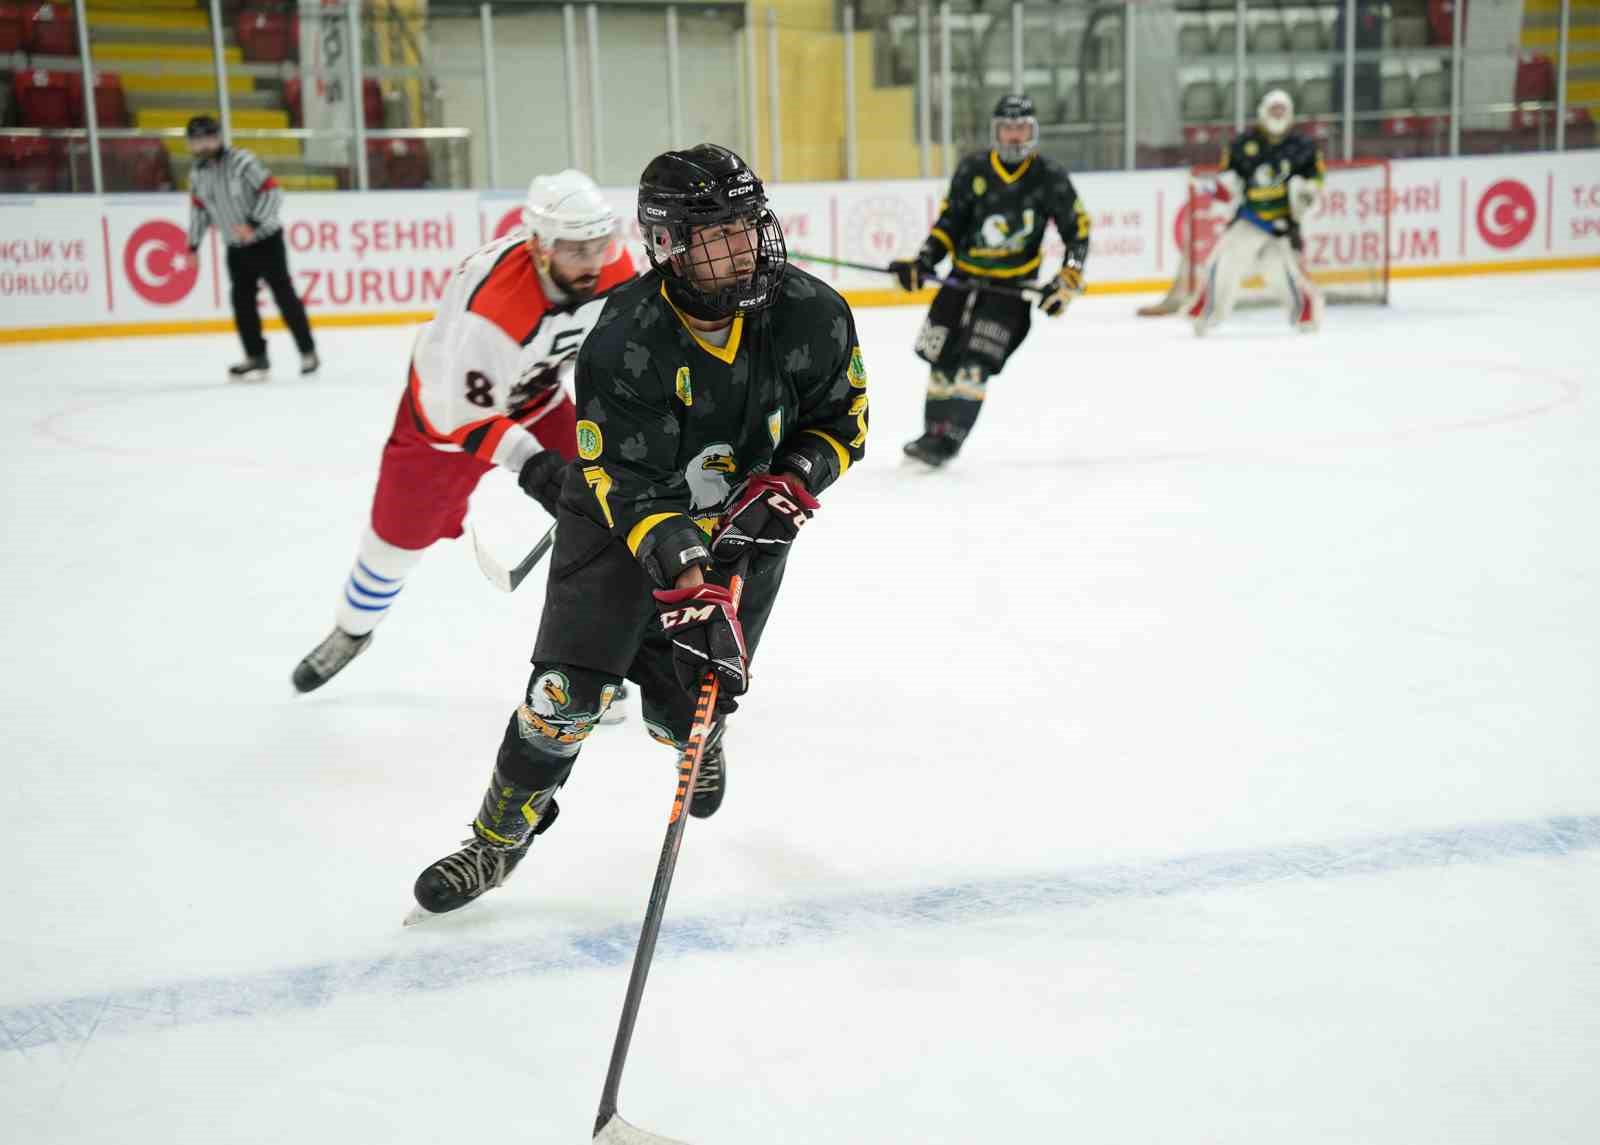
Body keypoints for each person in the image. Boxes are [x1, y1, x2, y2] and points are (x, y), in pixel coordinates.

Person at [407, 143, 868, 919]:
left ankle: (697, 734)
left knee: (683, 706)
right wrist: (687, 580)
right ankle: (495, 840)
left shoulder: (811, 312)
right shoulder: (628, 334)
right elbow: (628, 479)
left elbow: (841, 421)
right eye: (717, 234)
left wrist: (790, 483)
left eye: (747, 225)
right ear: (669, 245)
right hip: (619, 528)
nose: (743, 246)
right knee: (562, 700)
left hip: (745, 531)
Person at [291, 170, 636, 695]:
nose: (592, 263)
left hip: (537, 398)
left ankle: (594, 662)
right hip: (445, 420)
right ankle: (353, 630)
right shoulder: (493, 311)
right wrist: (535, 465)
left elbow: (625, 346)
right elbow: (462, 416)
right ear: (541, 248)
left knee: (612, 521)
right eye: (575, 250)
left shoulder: (613, 267)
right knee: (395, 541)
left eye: (598, 245)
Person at [888, 93, 1090, 468]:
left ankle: (949, 441)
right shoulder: (973, 169)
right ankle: (932, 434)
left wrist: (1068, 276)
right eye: (1007, 128)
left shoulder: (1049, 176)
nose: (1014, 136)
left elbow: (1077, 231)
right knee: (939, 357)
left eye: (1022, 128)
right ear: (995, 131)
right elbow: (950, 223)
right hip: (961, 280)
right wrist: (923, 260)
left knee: (975, 364)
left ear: (1033, 131)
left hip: (1009, 289)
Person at [183, 115, 319, 382]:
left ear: (218, 137)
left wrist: (253, 223)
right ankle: (256, 356)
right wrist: (193, 246)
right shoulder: (197, 175)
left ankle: (307, 351)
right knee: (242, 302)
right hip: (235, 247)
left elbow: (273, 193)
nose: (203, 145)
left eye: (208, 138)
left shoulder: (242, 162)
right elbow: (199, 211)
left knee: (284, 295)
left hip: (266, 240)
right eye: (197, 141)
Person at [1187, 90, 1325, 336]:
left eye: (1282, 110)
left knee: (1279, 271)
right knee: (1225, 261)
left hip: (1283, 225)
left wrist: (1308, 192)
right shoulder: (1243, 144)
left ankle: (1304, 313)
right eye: (1274, 109)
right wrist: (1218, 188)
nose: (1278, 114)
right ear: (1263, 112)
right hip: (1251, 219)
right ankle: (1209, 312)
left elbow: (1316, 177)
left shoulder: (1303, 146)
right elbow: (1229, 178)